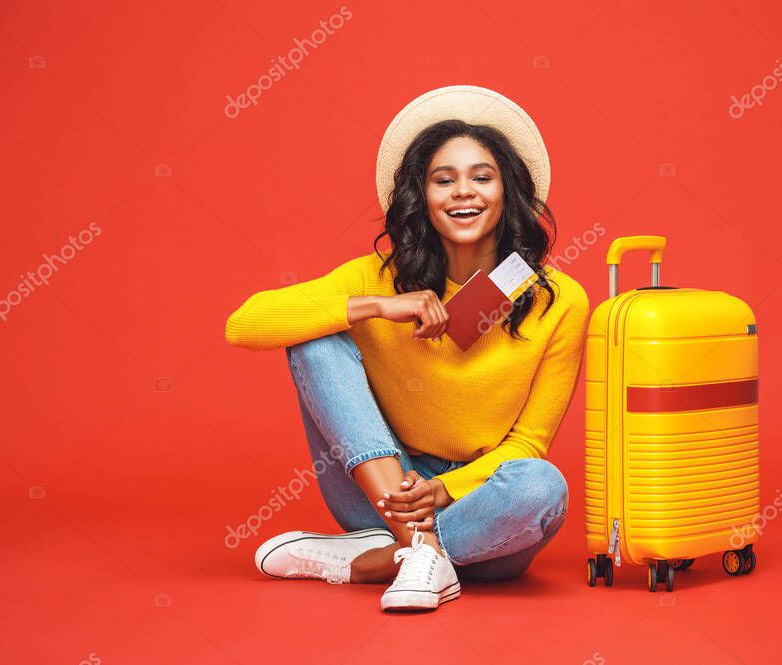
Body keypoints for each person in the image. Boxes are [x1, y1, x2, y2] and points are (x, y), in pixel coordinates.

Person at [224, 85, 589, 612]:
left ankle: (375, 560)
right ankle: (415, 548)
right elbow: (243, 324)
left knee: (543, 488)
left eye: (482, 178)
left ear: (508, 190)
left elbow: (529, 444)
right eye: (444, 180)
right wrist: (374, 306)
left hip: (483, 503)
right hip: (379, 490)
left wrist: (446, 490)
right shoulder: (377, 277)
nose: (464, 193)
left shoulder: (559, 299)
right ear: (423, 195)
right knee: (316, 339)